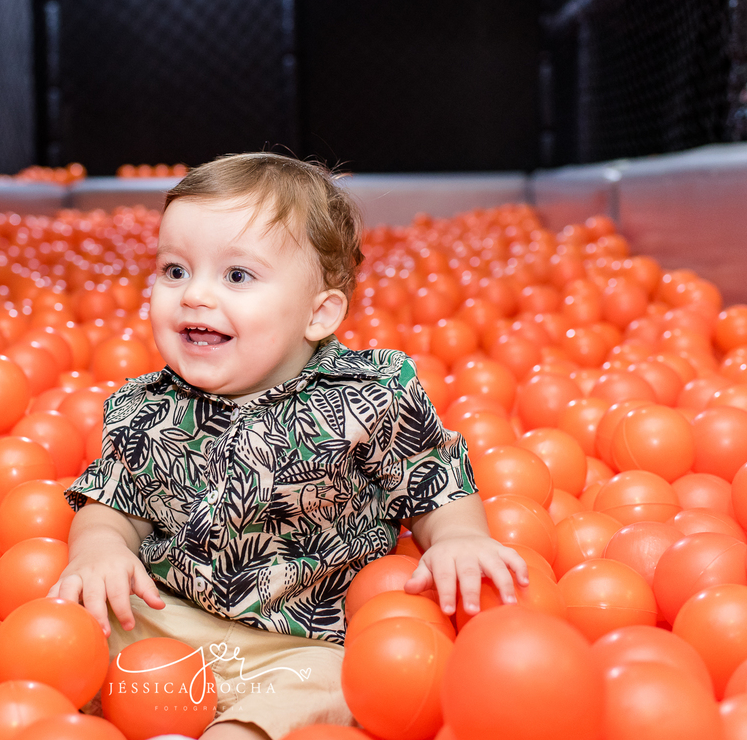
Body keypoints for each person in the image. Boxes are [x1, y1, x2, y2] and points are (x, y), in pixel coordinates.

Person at [53, 152, 529, 740]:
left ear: (318, 313)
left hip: (300, 644)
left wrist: (459, 539)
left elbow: (435, 478)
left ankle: (241, 731)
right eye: (175, 270)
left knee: (346, 680)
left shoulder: (369, 397)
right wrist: (98, 550)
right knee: (66, 624)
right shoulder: (148, 406)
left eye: (236, 276)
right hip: (166, 622)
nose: (194, 295)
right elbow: (112, 501)